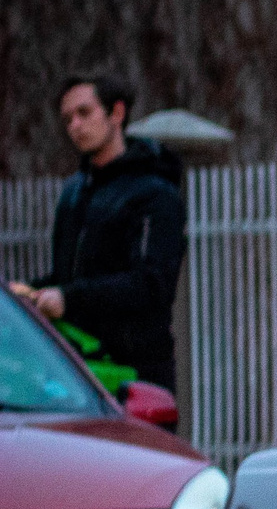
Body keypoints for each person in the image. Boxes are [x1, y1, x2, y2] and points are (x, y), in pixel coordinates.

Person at [6, 74, 187, 393]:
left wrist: (69, 299)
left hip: (136, 374)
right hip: (76, 371)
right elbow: (66, 277)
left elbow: (151, 284)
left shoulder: (153, 193)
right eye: (67, 119)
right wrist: (26, 294)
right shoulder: (74, 192)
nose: (75, 125)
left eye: (84, 113)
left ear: (116, 113)